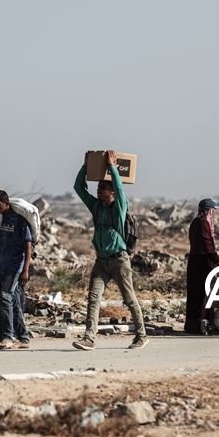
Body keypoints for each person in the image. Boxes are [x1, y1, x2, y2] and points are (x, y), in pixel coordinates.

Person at [72, 150, 148, 350]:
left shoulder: (118, 208)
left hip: (119, 260)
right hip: (101, 261)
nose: (99, 191)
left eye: (104, 188)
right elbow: (78, 188)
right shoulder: (96, 207)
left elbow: (121, 191)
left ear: (112, 191)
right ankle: (89, 338)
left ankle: (141, 335)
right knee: (93, 298)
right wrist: (85, 166)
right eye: (98, 187)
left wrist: (113, 167)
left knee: (129, 299)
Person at [0, 190, 32, 349]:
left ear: (6, 204)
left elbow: (28, 245)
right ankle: (24, 338)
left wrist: (26, 269)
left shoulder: (20, 221)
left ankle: (8, 336)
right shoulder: (0, 220)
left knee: (5, 296)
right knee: (13, 301)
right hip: (1, 265)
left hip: (15, 265)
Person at [185, 198, 219, 334]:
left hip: (195, 261)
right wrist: (216, 258)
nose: (215, 213)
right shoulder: (202, 223)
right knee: (203, 295)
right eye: (214, 210)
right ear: (209, 211)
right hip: (202, 263)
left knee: (196, 294)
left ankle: (193, 324)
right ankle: (201, 323)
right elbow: (207, 245)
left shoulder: (195, 222)